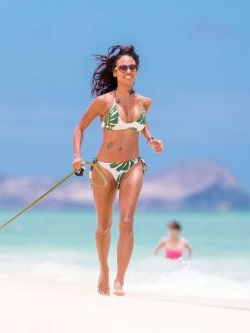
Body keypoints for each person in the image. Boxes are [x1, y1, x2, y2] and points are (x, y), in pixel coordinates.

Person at [72, 45, 163, 296]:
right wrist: (77, 156)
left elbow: (141, 126)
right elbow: (79, 128)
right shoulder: (103, 102)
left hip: (132, 165)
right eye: (123, 67)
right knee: (104, 225)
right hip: (103, 168)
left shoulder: (145, 102)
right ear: (114, 72)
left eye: (132, 67)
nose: (128, 71)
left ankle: (120, 280)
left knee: (126, 222)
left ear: (137, 71)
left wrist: (151, 140)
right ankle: (104, 269)